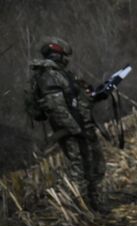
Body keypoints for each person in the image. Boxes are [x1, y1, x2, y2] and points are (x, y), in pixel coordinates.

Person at [28, 37, 108, 212]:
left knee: (94, 165)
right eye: (63, 55)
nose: (66, 59)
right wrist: (76, 130)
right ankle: (80, 208)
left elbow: (80, 99)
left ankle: (94, 204)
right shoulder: (49, 76)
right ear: (56, 55)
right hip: (72, 131)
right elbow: (58, 109)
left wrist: (98, 94)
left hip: (82, 127)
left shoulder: (64, 74)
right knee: (78, 169)